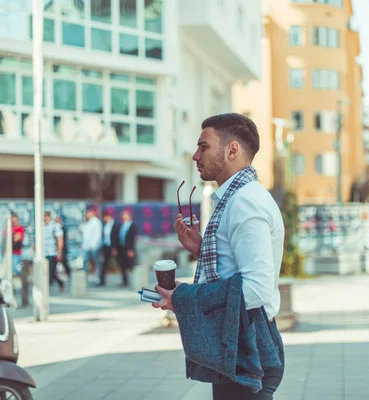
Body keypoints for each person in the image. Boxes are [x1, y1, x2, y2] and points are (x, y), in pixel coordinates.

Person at [153, 113, 285, 399]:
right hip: (242, 344)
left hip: (250, 347)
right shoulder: (238, 198)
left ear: (232, 150)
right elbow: (238, 269)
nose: (195, 156)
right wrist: (203, 249)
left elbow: (256, 288)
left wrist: (185, 298)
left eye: (204, 147)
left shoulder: (246, 202)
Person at [115, 210, 137, 287]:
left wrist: (131, 249)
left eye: (125, 216)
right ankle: (125, 281)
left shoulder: (132, 225)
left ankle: (135, 280)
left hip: (129, 249)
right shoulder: (120, 225)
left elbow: (132, 238)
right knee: (122, 265)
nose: (124, 217)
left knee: (131, 264)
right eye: (123, 216)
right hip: (121, 248)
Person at [44, 212, 65, 292]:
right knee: (50, 272)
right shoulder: (42, 227)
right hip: (44, 253)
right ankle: (60, 283)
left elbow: (59, 240)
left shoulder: (55, 226)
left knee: (50, 271)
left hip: (52, 252)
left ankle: (47, 288)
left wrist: (59, 252)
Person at [98, 210, 119, 287]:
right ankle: (102, 281)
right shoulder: (104, 225)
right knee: (104, 264)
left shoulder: (115, 225)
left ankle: (125, 280)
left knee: (120, 263)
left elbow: (116, 237)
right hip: (106, 246)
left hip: (113, 247)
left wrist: (115, 248)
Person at [82, 208, 103, 283]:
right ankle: (84, 279)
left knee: (97, 263)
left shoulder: (96, 222)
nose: (86, 215)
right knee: (85, 262)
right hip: (86, 247)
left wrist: (93, 245)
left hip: (94, 247)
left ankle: (98, 278)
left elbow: (97, 235)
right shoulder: (86, 222)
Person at [55, 215, 71, 280]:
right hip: (56, 249)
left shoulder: (62, 228)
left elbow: (62, 240)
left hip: (62, 249)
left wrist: (60, 251)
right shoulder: (56, 227)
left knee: (64, 262)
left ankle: (69, 275)